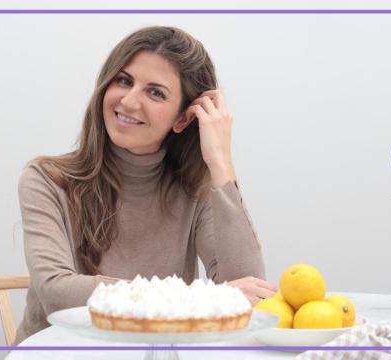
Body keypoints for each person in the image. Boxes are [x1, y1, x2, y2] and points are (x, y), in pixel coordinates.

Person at [14, 26, 276, 345]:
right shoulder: (47, 179)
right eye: (124, 80)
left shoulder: (195, 188)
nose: (128, 100)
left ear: (182, 119)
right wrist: (196, 298)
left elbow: (249, 289)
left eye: (155, 92)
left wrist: (221, 163)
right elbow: (57, 292)